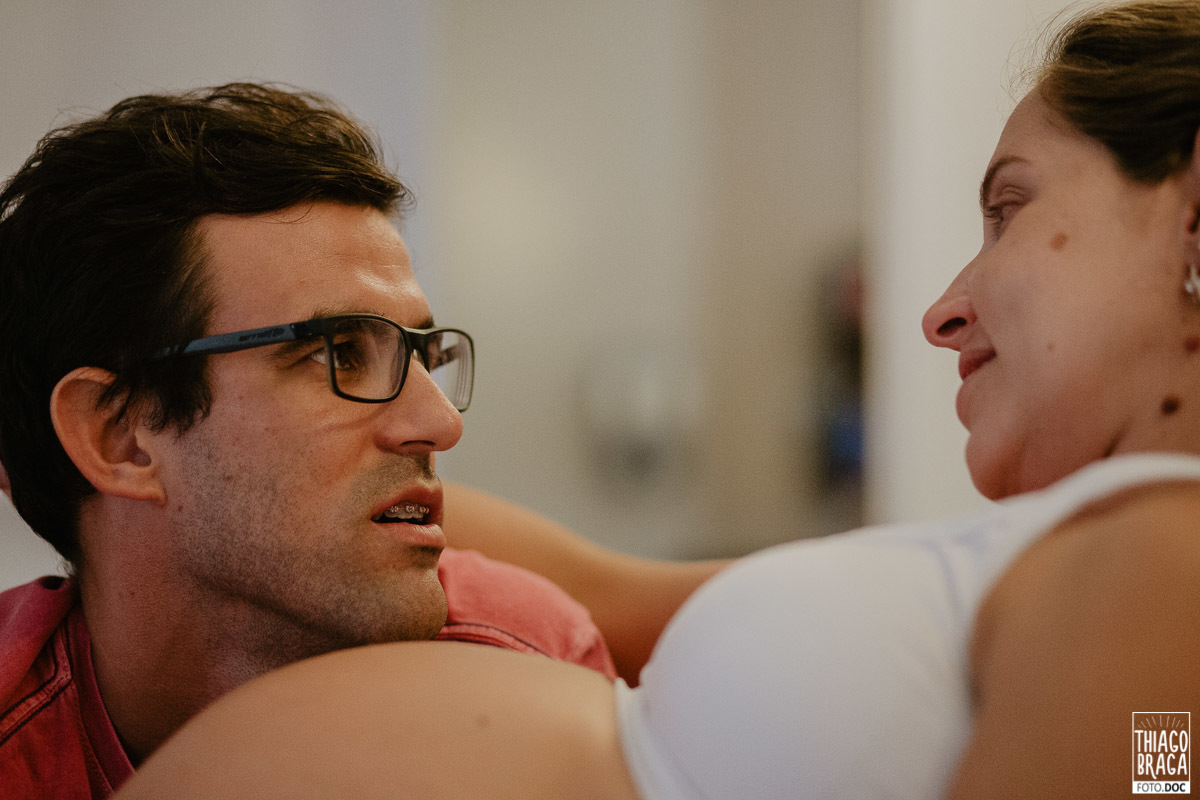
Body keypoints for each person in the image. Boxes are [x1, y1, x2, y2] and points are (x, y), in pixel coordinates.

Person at [112, 2, 1200, 799]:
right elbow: (600, 588)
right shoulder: (1087, 558)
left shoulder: (1172, 565)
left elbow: (1157, 766)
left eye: (1009, 210)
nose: (943, 310)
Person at [0, 84, 723, 798]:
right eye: (338, 353)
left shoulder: (528, 673)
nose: (441, 424)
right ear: (121, 437)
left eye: (423, 355)